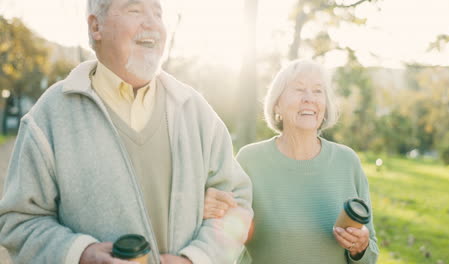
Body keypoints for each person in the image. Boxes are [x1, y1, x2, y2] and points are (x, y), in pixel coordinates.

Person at [0, 0, 252, 263]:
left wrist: (198, 258)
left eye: (157, 13)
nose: (153, 24)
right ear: (96, 26)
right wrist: (79, 254)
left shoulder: (198, 112)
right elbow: (19, 223)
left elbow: (238, 204)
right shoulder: (49, 116)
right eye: (135, 10)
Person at [203, 59, 379, 263]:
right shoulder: (250, 160)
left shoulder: (347, 161)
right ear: (277, 104)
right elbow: (222, 236)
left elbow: (371, 252)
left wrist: (360, 247)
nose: (309, 98)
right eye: (299, 89)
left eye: (318, 91)